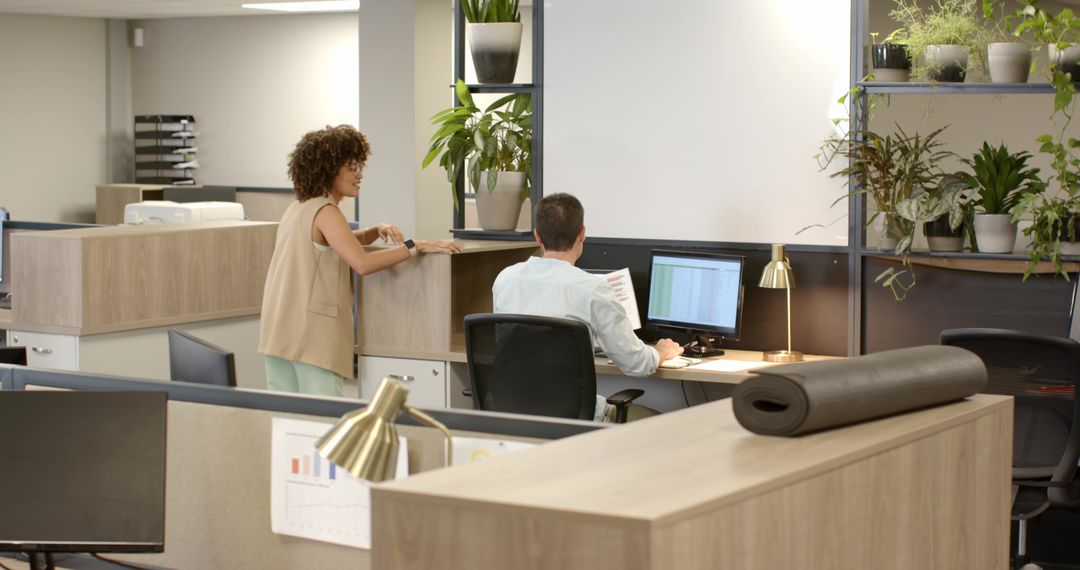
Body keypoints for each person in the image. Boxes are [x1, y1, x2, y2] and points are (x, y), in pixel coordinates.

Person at [259, 124, 461, 396]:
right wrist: (415, 245)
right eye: (352, 168)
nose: (359, 175)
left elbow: (328, 242)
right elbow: (362, 264)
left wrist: (372, 231)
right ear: (329, 169)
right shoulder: (327, 211)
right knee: (325, 421)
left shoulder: (299, 206)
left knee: (286, 421)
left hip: (279, 332)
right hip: (312, 338)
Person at [492, 192, 682, 421]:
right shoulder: (593, 289)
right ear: (582, 233)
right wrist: (661, 352)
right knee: (663, 423)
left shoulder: (505, 279)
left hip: (511, 410)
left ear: (537, 236)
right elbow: (637, 364)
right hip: (575, 417)